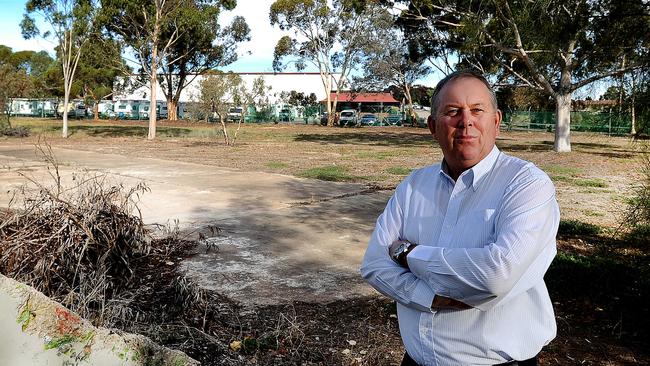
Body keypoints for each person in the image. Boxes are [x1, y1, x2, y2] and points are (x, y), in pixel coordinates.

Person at [360, 70, 559, 366]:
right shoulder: (414, 186)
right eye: (452, 112)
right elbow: (375, 265)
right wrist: (427, 296)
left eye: (477, 110)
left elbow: (495, 276)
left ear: (496, 121)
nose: (466, 121)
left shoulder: (527, 185)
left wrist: (409, 254)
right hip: (415, 361)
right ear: (433, 126)